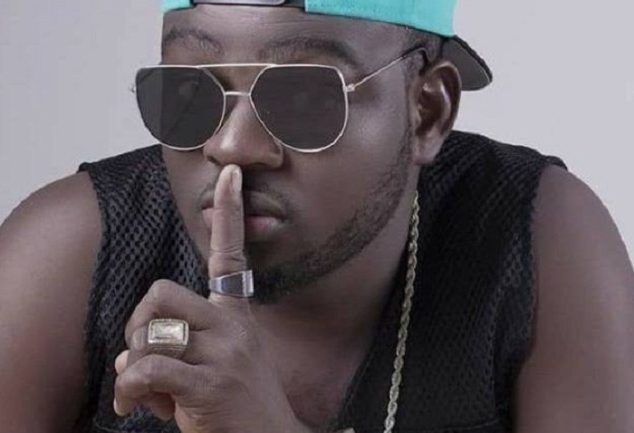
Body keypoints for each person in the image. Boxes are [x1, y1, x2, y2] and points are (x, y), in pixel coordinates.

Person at [0, 1, 632, 432]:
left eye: (306, 96)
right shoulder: (72, 247)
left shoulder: (538, 237)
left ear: (427, 111)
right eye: (189, 89)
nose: (232, 145)